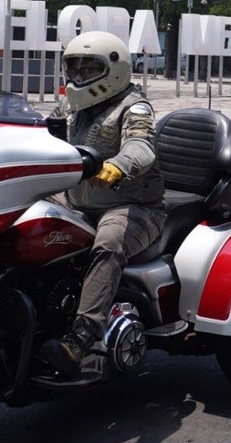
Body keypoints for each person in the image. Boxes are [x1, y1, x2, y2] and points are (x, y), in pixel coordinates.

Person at [38, 31, 167, 376]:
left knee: (109, 241)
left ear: (113, 69)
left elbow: (142, 145)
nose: (79, 77)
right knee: (24, 217)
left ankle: (81, 336)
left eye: (88, 68)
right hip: (76, 200)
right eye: (74, 68)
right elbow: (36, 132)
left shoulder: (134, 106)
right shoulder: (70, 105)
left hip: (133, 205)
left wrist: (117, 165)